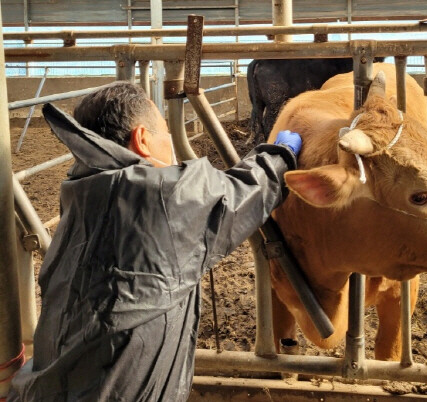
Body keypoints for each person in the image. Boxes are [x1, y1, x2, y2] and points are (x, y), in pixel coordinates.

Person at [8, 81, 302, 401]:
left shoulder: (80, 191)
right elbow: (239, 196)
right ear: (143, 140)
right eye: (166, 132)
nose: (172, 143)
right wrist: (281, 154)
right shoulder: (160, 196)